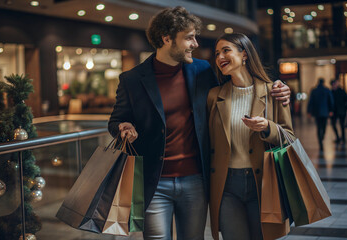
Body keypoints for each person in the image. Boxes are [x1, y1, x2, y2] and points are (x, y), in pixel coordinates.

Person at [108, 7, 291, 240]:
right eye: (189, 37)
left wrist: (279, 89)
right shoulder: (132, 79)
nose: (195, 43)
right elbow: (116, 119)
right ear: (167, 39)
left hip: (196, 179)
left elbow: (238, 87)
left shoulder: (202, 70)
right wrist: (123, 127)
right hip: (154, 182)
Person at [207, 33, 294, 240]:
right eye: (217, 53)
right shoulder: (214, 96)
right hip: (226, 185)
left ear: (244, 54)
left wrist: (267, 127)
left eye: (226, 50)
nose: (220, 57)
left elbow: (289, 137)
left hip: (264, 182)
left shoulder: (273, 91)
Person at [307, 78, 334, 151]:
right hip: (325, 112)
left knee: (319, 127)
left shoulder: (314, 91)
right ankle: (322, 136)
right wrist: (331, 110)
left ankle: (320, 142)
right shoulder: (327, 90)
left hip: (317, 112)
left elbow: (310, 102)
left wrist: (309, 111)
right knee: (324, 126)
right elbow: (331, 101)